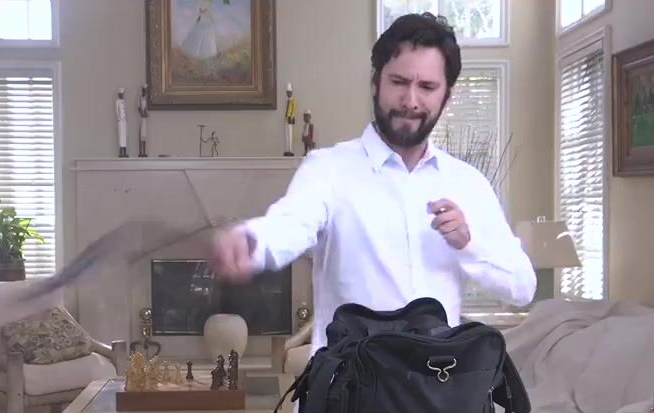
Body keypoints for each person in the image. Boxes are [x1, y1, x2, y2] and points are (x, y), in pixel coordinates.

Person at [209, 13, 536, 357]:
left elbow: (522, 287)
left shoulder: (467, 183)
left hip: (437, 384)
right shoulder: (328, 169)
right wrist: (250, 242)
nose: (410, 100)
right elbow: (290, 225)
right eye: (399, 82)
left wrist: (469, 244)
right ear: (376, 83)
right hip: (347, 384)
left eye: (427, 87)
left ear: (446, 97)